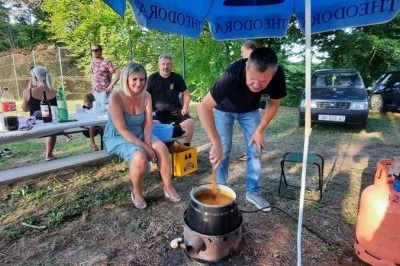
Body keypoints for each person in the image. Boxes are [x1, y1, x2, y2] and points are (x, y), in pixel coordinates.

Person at [197, 47, 287, 212]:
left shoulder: (278, 75)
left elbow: (274, 103)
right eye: (252, 78)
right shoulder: (233, 72)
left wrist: (259, 130)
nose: (257, 85)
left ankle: (253, 192)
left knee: (255, 149)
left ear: (272, 75)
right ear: (246, 67)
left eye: (264, 82)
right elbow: (203, 107)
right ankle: (219, 191)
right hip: (223, 109)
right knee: (222, 149)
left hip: (250, 111)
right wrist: (215, 142)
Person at [103, 62, 181, 210]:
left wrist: (148, 143)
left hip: (140, 132)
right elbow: (123, 130)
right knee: (139, 155)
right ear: (126, 79)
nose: (139, 83)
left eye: (142, 79)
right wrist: (145, 148)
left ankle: (168, 187)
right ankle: (137, 192)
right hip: (118, 135)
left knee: (162, 148)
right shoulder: (115, 97)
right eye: (134, 79)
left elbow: (147, 124)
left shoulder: (146, 96)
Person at [147, 54, 194, 146]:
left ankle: (185, 149)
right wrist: (149, 110)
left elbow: (186, 94)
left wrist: (185, 107)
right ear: (159, 65)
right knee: (153, 125)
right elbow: (145, 96)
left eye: (168, 64)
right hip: (158, 112)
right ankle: (161, 149)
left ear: (171, 65)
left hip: (176, 111)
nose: (166, 67)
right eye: (163, 64)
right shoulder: (152, 78)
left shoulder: (177, 77)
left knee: (189, 123)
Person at [21, 66, 58, 161]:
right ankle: (49, 154)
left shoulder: (28, 92)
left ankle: (49, 154)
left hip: (35, 125)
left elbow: (25, 109)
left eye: (31, 77)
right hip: (52, 125)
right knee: (52, 127)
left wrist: (29, 90)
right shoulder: (54, 91)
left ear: (36, 78)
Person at [90, 44, 120, 108]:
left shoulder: (106, 62)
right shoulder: (93, 63)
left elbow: (118, 73)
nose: (94, 52)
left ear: (101, 51)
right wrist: (93, 86)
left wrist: (111, 85)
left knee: (105, 112)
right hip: (96, 92)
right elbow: (94, 75)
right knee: (97, 112)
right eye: (92, 50)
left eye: (96, 50)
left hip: (104, 92)